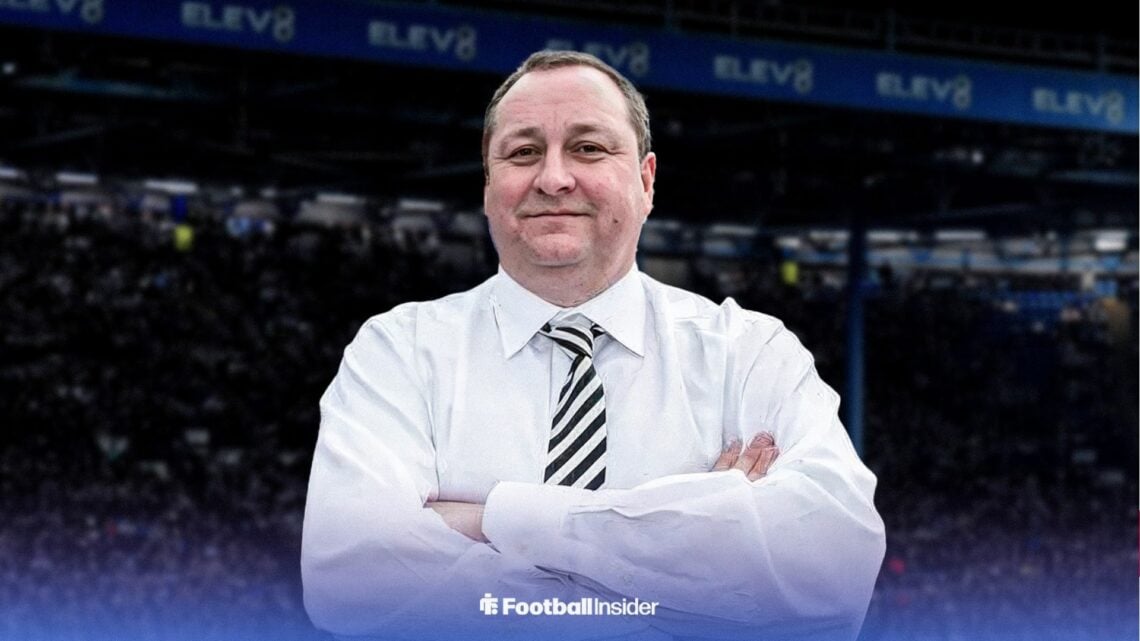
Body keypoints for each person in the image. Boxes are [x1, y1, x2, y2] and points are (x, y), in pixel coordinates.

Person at [301, 50, 885, 641]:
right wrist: (699, 538)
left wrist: (497, 519)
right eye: (523, 152)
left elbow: (830, 577)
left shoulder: (750, 353)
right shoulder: (397, 353)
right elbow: (353, 582)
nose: (553, 178)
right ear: (488, 186)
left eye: (588, 148)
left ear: (646, 181)